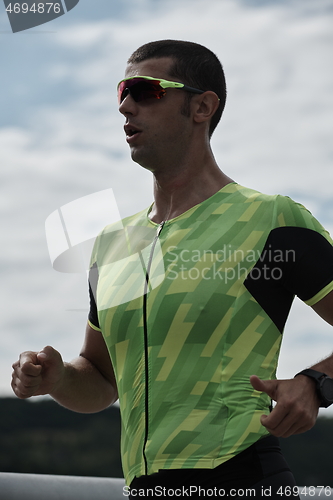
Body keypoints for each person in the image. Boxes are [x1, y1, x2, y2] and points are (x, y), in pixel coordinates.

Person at [12, 40, 333, 499]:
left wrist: (316, 384)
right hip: (143, 490)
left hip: (241, 480)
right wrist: (58, 378)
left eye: (145, 91)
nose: (125, 106)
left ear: (202, 106)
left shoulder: (271, 220)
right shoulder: (113, 245)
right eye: (122, 91)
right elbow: (102, 382)